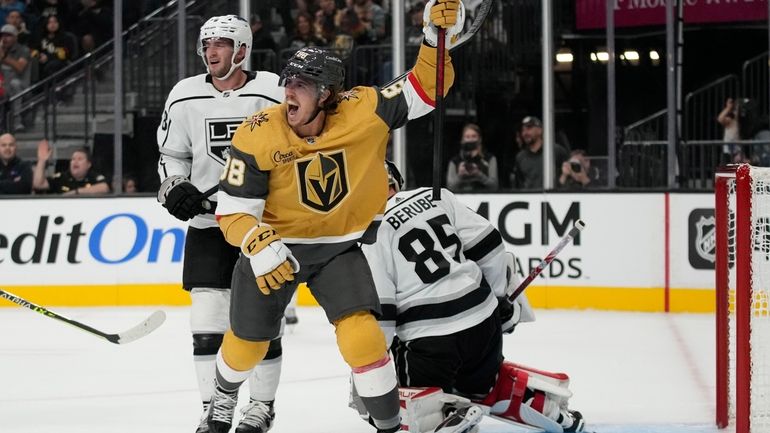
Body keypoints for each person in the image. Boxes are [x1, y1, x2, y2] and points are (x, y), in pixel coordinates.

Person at [207, 1, 465, 432]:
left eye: (302, 85)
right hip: (275, 249)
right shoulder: (257, 132)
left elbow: (425, 89)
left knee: (363, 337)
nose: (289, 91)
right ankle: (222, 398)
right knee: (246, 348)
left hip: (337, 249)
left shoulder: (365, 109)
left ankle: (389, 427)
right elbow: (233, 210)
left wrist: (435, 40)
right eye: (288, 81)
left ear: (327, 94)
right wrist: (256, 241)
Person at [358, 161, 585, 433]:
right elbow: (489, 244)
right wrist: (499, 297)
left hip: (431, 341)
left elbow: (381, 309)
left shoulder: (369, 234)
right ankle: (547, 407)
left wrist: (372, 361)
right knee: (481, 384)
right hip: (483, 323)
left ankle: (447, 419)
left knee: (404, 403)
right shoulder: (435, 196)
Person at [154, 15, 286, 433]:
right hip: (209, 225)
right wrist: (174, 185)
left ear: (242, 49)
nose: (211, 51)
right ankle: (214, 409)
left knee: (262, 327)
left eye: (222, 43)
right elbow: (170, 154)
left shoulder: (272, 91)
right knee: (206, 329)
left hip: (260, 226)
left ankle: (261, 407)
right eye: (206, 43)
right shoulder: (183, 96)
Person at [511, 115, 568, 189]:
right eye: (523, 130)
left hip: (553, 198)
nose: (525, 133)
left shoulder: (556, 151)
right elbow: (519, 184)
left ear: (540, 130)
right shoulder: (520, 157)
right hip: (529, 198)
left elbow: (567, 177)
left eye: (529, 128)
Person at [32, 140, 109, 194]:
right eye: (73, 159)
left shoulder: (94, 177)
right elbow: (38, 184)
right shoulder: (61, 177)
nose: (75, 162)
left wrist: (76, 192)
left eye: (80, 159)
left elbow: (104, 188)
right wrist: (41, 161)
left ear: (88, 164)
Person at [446, 122, 498, 191]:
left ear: (480, 139)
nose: (470, 140)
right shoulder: (454, 161)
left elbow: (495, 186)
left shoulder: (490, 159)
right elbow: (449, 188)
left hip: (483, 197)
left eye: (474, 136)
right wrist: (460, 176)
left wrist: (478, 174)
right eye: (467, 137)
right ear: (462, 140)